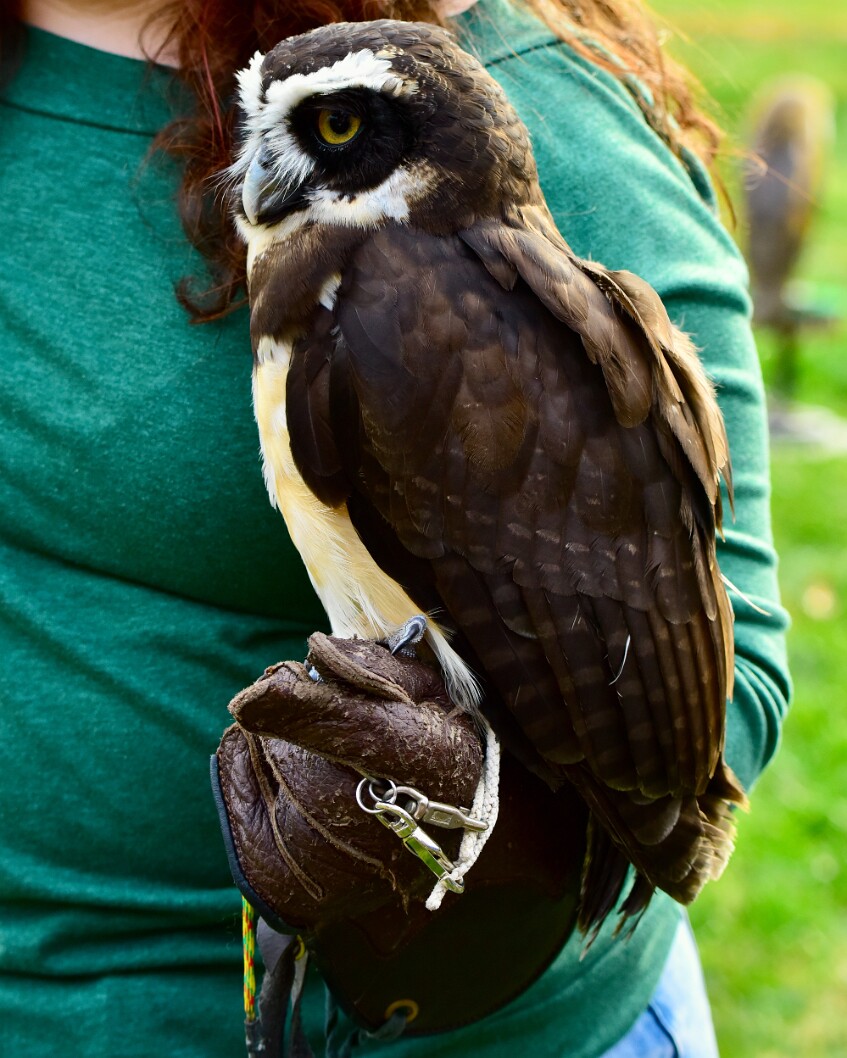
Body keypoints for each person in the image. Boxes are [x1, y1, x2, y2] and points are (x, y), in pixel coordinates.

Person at [0, 0, 791, 1055]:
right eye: (255, 131)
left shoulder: (456, 236)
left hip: (433, 1030)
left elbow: (709, 662)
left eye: (323, 129)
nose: (265, 174)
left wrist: (468, 812)